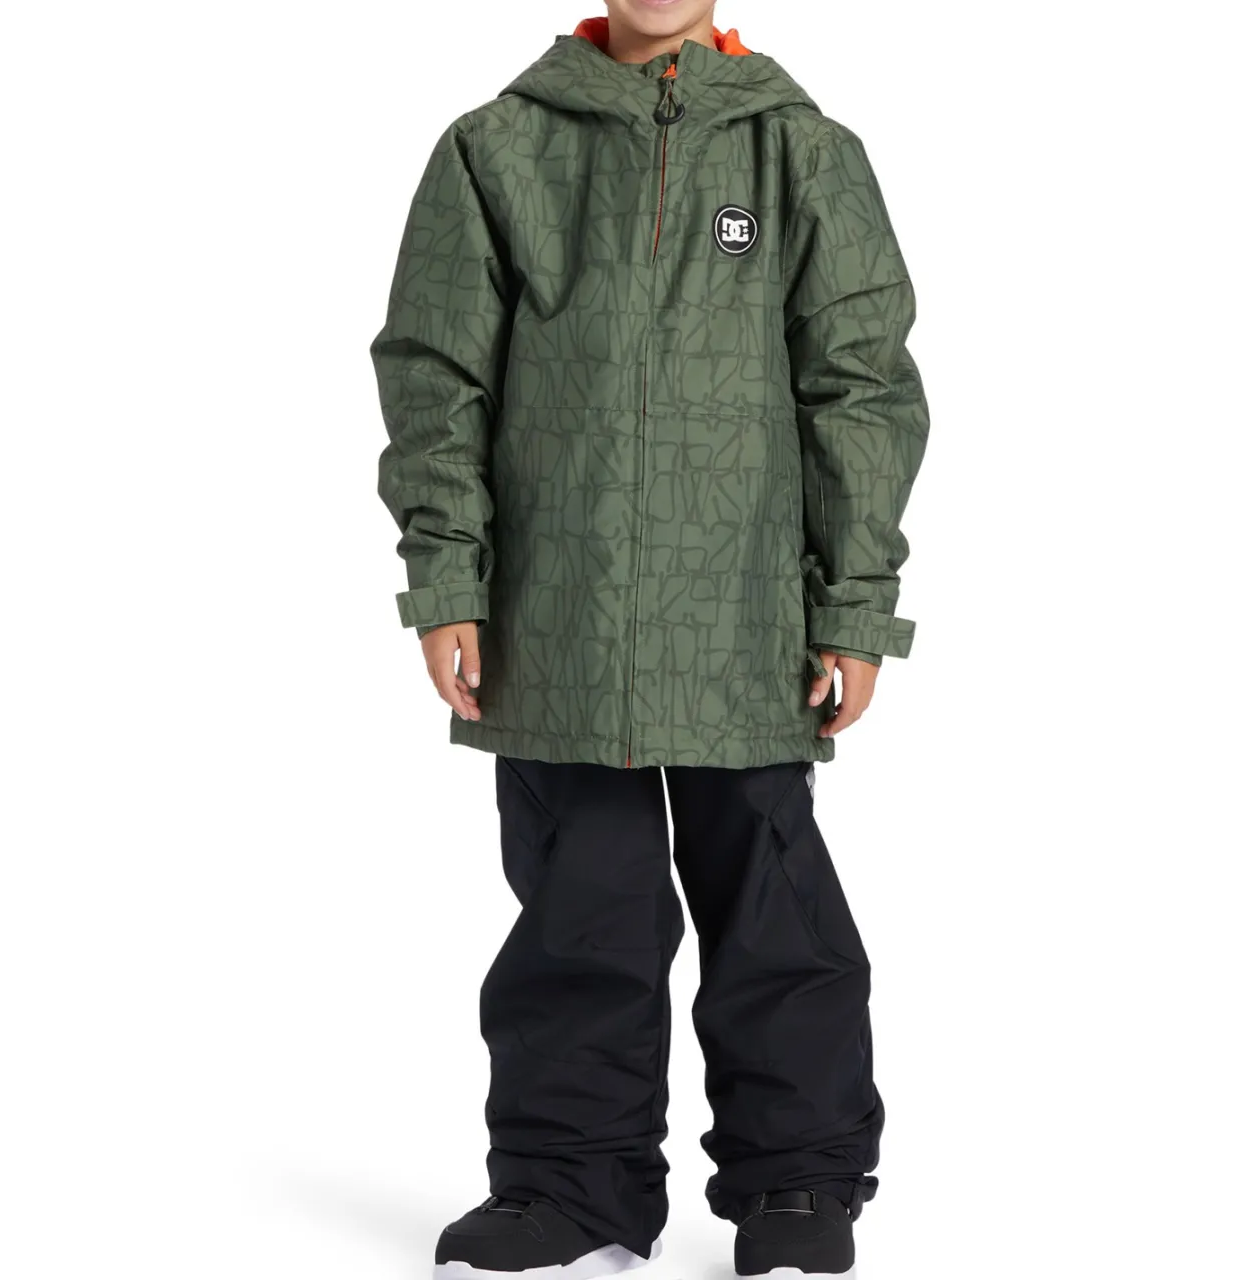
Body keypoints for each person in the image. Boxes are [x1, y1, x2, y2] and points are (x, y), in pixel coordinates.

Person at [371, 1, 929, 1274]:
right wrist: (446, 576)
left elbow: (858, 383)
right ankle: (568, 1189)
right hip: (555, 617)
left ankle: (798, 1181)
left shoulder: (802, 152)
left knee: (772, 908)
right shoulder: (496, 146)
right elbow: (435, 373)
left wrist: (853, 604)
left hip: (745, 615)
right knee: (582, 909)